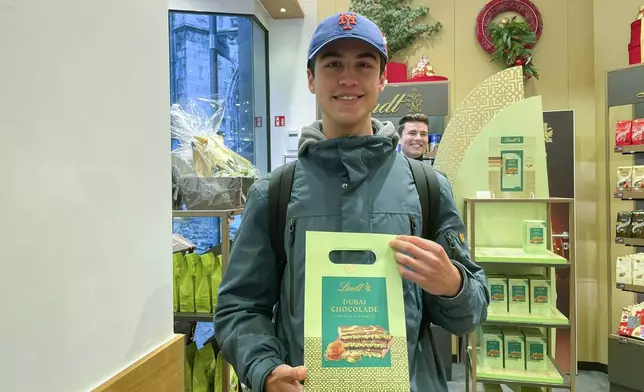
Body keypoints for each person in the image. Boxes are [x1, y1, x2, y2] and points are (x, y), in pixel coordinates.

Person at [214, 12, 489, 392]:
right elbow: (239, 308)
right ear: (311, 79)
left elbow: (471, 312)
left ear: (382, 79)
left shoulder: (426, 186)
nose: (348, 78)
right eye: (333, 64)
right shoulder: (275, 193)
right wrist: (265, 368)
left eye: (363, 64)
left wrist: (452, 285)